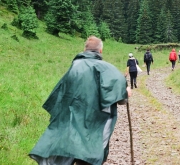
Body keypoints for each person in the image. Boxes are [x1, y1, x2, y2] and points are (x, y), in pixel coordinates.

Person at [29, 36, 131, 165]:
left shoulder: (74, 67)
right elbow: (122, 96)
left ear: (84, 49)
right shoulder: (107, 68)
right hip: (97, 124)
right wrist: (125, 92)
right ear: (100, 51)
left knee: (71, 152)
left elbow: (59, 97)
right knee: (90, 156)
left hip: (72, 122)